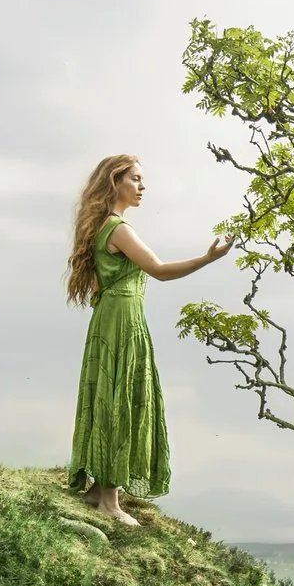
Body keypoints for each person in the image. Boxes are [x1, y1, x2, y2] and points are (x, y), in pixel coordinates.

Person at [63, 153, 232, 525]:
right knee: (121, 398)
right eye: (135, 179)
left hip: (112, 316)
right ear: (115, 182)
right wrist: (208, 258)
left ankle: (98, 489)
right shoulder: (118, 228)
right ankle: (109, 502)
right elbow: (158, 270)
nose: (142, 187)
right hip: (122, 318)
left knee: (110, 395)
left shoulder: (102, 226)